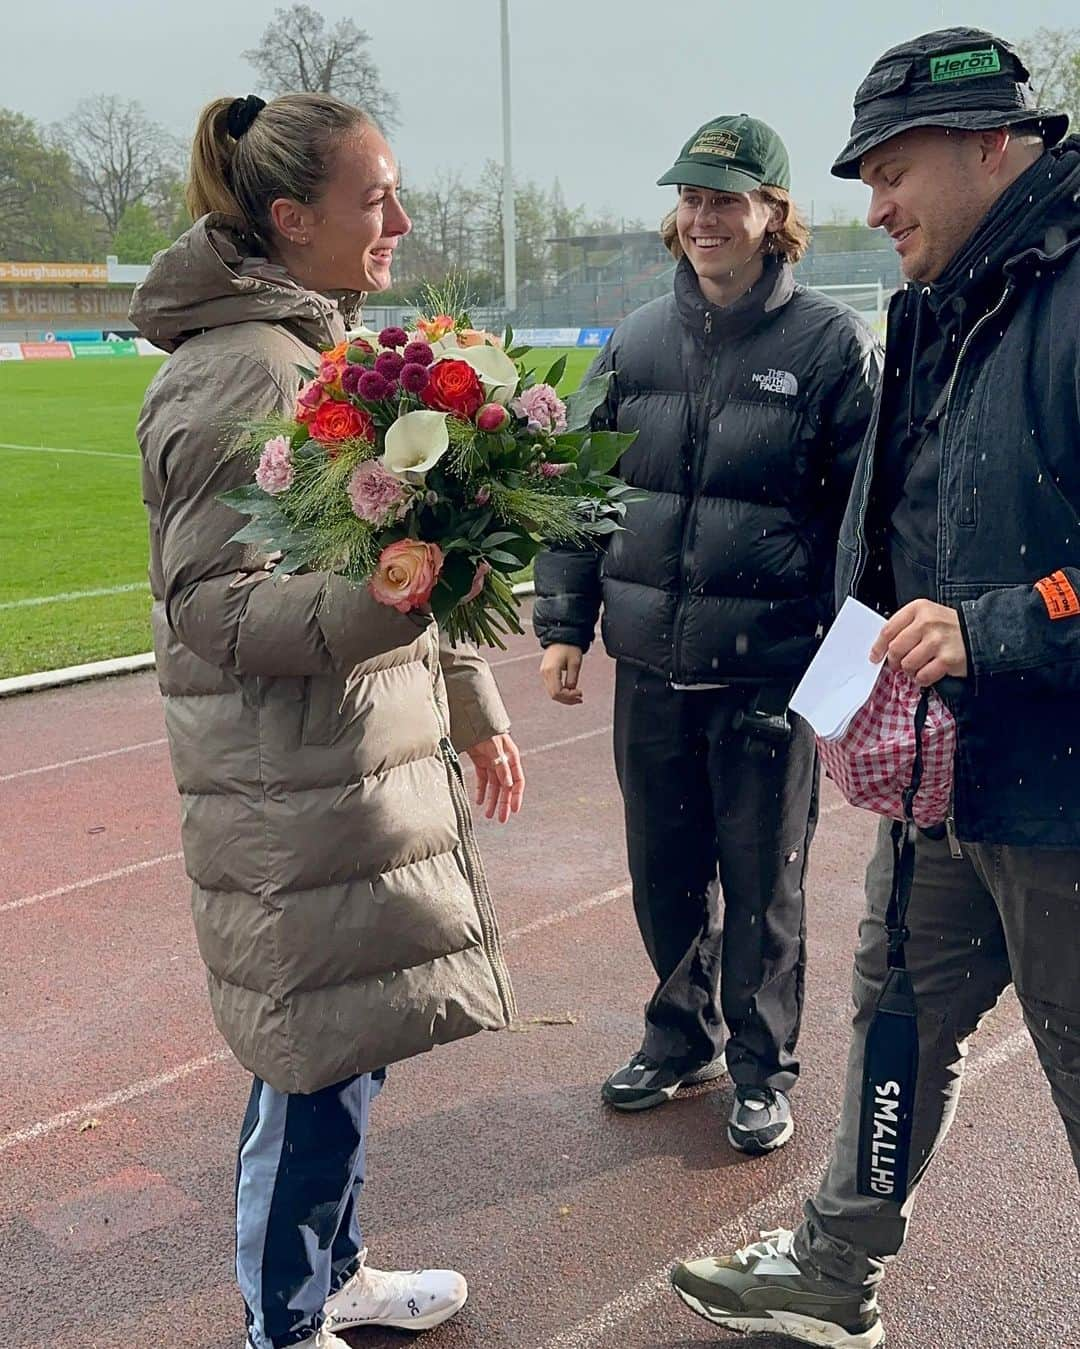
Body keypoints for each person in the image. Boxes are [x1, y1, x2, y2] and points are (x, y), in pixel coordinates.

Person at [670, 28, 1080, 1349]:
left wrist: (1004, 625)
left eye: (893, 169)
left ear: (991, 145)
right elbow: (896, 525)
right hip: (945, 782)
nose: (874, 204)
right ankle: (836, 1270)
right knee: (897, 1005)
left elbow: (1001, 591)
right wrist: (845, 701)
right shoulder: (933, 310)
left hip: (1065, 795)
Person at [131, 92, 524, 1349]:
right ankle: (284, 1322)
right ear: (294, 220)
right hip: (282, 788)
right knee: (308, 1065)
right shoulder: (239, 370)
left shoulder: (324, 351)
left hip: (351, 770)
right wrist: (382, 600)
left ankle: (338, 1272)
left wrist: (472, 702)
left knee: (351, 1044)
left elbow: (408, 548)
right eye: (377, 198)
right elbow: (213, 604)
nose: (401, 219)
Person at [533, 115, 880, 1153]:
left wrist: (846, 662)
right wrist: (564, 620)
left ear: (775, 216)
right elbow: (578, 490)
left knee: (763, 876)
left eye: (725, 199)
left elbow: (865, 517)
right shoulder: (635, 340)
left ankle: (764, 1065)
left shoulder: (827, 346)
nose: (703, 218)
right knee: (664, 866)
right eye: (690, 198)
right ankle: (681, 1034)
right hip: (651, 660)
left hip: (770, 667)